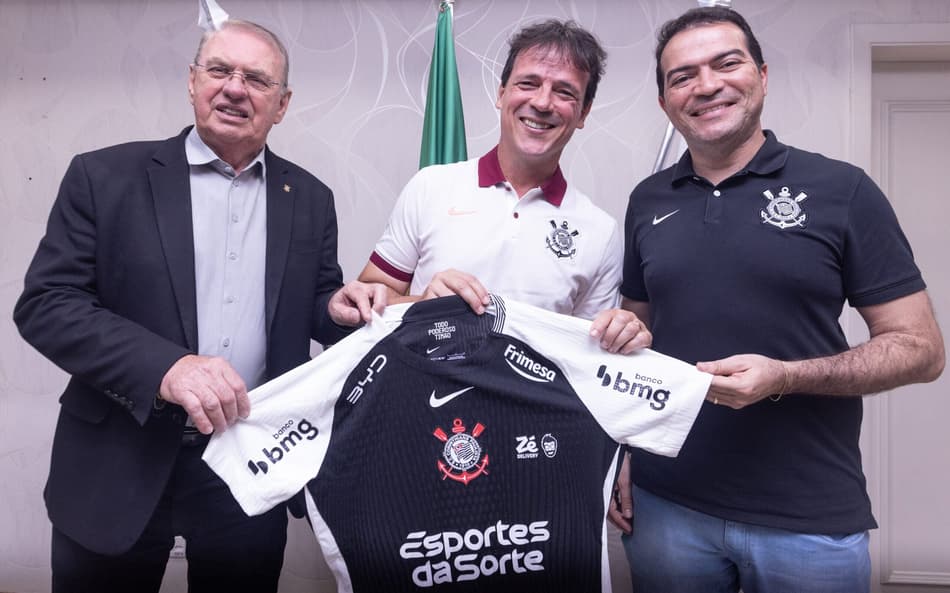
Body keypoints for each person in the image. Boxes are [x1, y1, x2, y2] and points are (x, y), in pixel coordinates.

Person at [13, 19, 385, 593]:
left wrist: (335, 308)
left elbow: (311, 302)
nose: (235, 88)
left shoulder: (310, 198)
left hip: (248, 461)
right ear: (192, 82)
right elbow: (47, 304)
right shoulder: (104, 176)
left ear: (281, 105)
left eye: (257, 79)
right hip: (118, 455)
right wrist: (168, 367)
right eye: (220, 70)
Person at [609, 6, 945, 593]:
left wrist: (786, 376)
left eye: (726, 63)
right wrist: (621, 453)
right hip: (667, 507)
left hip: (807, 517)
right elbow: (637, 333)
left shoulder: (843, 191)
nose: (706, 85)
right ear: (665, 102)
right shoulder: (646, 201)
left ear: (762, 76)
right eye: (682, 76)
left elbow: (920, 349)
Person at [358, 19, 649, 354]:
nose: (542, 103)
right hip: (417, 395)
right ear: (501, 93)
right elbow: (366, 299)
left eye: (564, 91)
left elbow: (591, 354)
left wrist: (625, 335)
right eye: (528, 83)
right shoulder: (430, 186)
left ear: (583, 113)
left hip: (527, 406)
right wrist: (420, 304)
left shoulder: (601, 231)